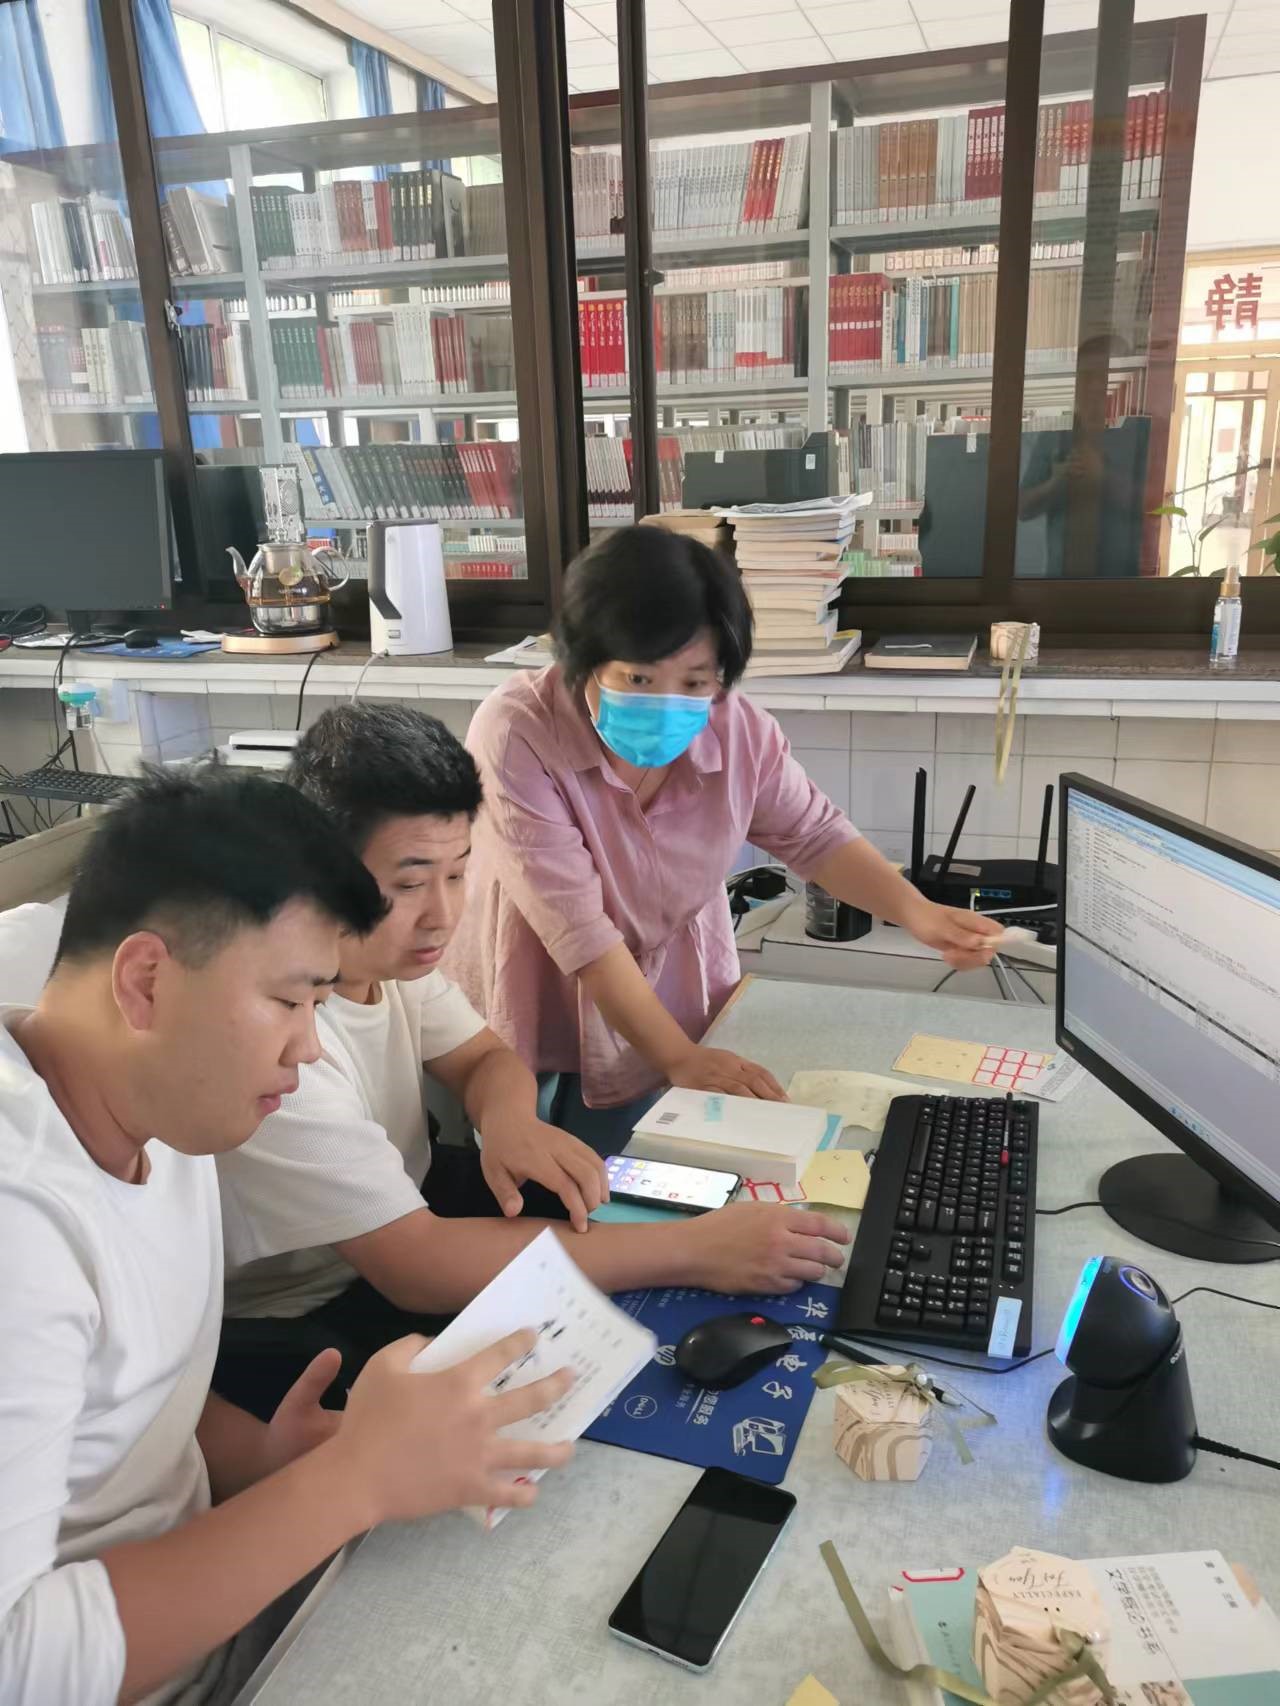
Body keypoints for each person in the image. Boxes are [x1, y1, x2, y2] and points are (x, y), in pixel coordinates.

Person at [0, 768, 574, 1706]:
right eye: (291, 1000)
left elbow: (128, 1411)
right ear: (146, 982)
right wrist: (355, 1479)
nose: (308, 1048)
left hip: (227, 1606)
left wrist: (262, 1461)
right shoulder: (19, 1225)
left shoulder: (163, 1111)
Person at [213, 703, 850, 1419]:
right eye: (410, 884)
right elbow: (415, 1267)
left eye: (459, 874)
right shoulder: (281, 1043)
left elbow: (483, 1057)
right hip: (305, 1310)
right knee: (578, 1376)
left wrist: (509, 1120)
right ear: (321, 872)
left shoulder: (390, 962)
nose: (442, 915)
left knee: (629, 1210)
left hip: (409, 1208)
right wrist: (696, 1250)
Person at [446, 525, 1002, 1152]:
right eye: (638, 679)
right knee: (557, 1162)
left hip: (670, 988)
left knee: (672, 1158)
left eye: (695, 682)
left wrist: (919, 913)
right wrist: (678, 1057)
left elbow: (814, 834)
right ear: (585, 660)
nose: (668, 704)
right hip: (547, 980)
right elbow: (581, 933)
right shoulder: (516, 732)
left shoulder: (738, 730)